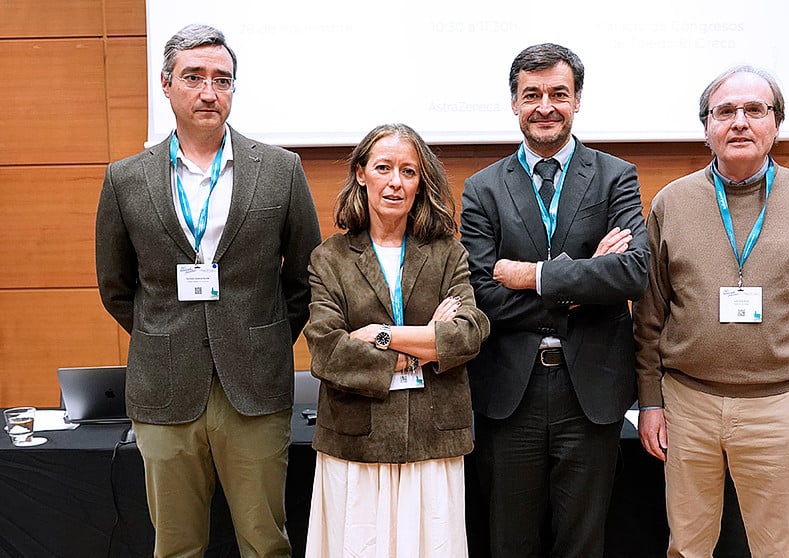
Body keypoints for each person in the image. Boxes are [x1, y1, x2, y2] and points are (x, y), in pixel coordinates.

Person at [95, 24, 321, 557]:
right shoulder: (125, 179)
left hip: (255, 389)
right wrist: (163, 335)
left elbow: (305, 279)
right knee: (176, 547)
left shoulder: (281, 171)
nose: (208, 91)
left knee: (267, 543)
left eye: (222, 79)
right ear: (166, 84)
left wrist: (259, 340)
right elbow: (116, 286)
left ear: (233, 90)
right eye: (193, 77)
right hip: (164, 388)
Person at [633, 65, 789, 557]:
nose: (739, 122)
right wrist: (651, 400)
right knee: (687, 548)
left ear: (775, 124)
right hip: (687, 406)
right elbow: (650, 313)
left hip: (780, 407)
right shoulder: (672, 203)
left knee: (776, 550)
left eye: (754, 110)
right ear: (706, 127)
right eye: (725, 111)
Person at [459, 43, 650, 557]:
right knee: (509, 542)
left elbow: (633, 273)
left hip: (590, 391)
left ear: (578, 100)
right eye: (532, 94)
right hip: (508, 393)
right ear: (515, 103)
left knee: (582, 544)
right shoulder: (482, 189)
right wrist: (586, 286)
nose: (546, 106)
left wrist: (534, 276)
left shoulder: (615, 177)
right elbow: (481, 295)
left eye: (558, 94)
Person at [303, 123, 490, 557]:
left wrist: (384, 336)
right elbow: (328, 351)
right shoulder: (329, 258)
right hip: (356, 440)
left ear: (421, 181)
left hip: (433, 438)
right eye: (384, 168)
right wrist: (420, 350)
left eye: (408, 171)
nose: (395, 182)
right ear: (361, 174)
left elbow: (468, 333)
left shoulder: (448, 252)